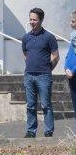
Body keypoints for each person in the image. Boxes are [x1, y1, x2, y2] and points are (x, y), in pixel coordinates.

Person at [22, 8, 59, 138]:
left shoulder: (49, 37)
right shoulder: (26, 38)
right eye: (30, 19)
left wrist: (48, 70)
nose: (32, 22)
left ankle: (49, 131)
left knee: (46, 105)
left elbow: (55, 57)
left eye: (35, 20)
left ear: (41, 20)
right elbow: (26, 55)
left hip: (44, 76)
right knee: (30, 106)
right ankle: (31, 131)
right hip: (29, 76)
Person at [64, 11, 76, 118]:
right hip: (71, 74)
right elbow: (69, 53)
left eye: (73, 21)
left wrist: (73, 70)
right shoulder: (73, 34)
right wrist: (66, 67)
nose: (70, 23)